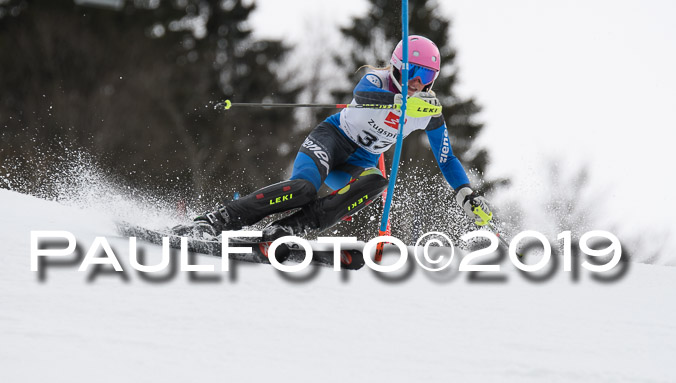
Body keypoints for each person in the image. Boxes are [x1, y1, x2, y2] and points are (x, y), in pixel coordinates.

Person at [182, 35, 492, 239]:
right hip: (331, 140)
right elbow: (363, 93)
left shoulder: (428, 109)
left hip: (359, 161)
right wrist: (397, 101)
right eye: (412, 72)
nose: (416, 83)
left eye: (426, 78)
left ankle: (286, 231)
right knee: (304, 189)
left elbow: (447, 157)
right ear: (397, 65)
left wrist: (465, 191)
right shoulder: (379, 80)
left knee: (377, 183)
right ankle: (217, 219)